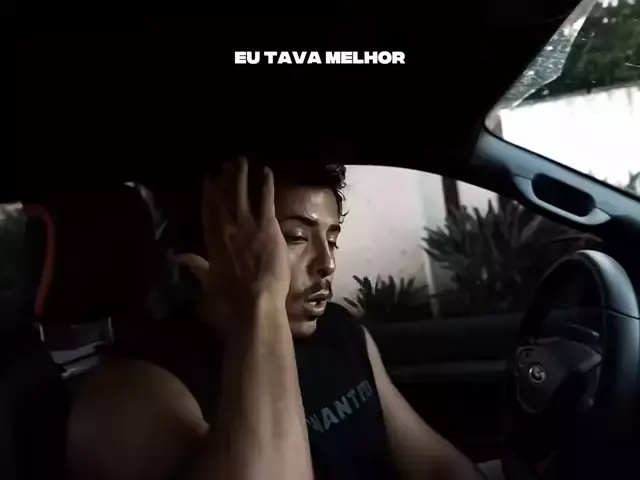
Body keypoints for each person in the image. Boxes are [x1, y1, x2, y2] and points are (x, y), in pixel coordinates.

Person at [67, 157, 484, 480]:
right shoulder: (128, 393)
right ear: (211, 245)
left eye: (332, 238)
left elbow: (434, 465)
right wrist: (261, 298)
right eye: (295, 237)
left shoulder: (339, 331)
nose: (327, 263)